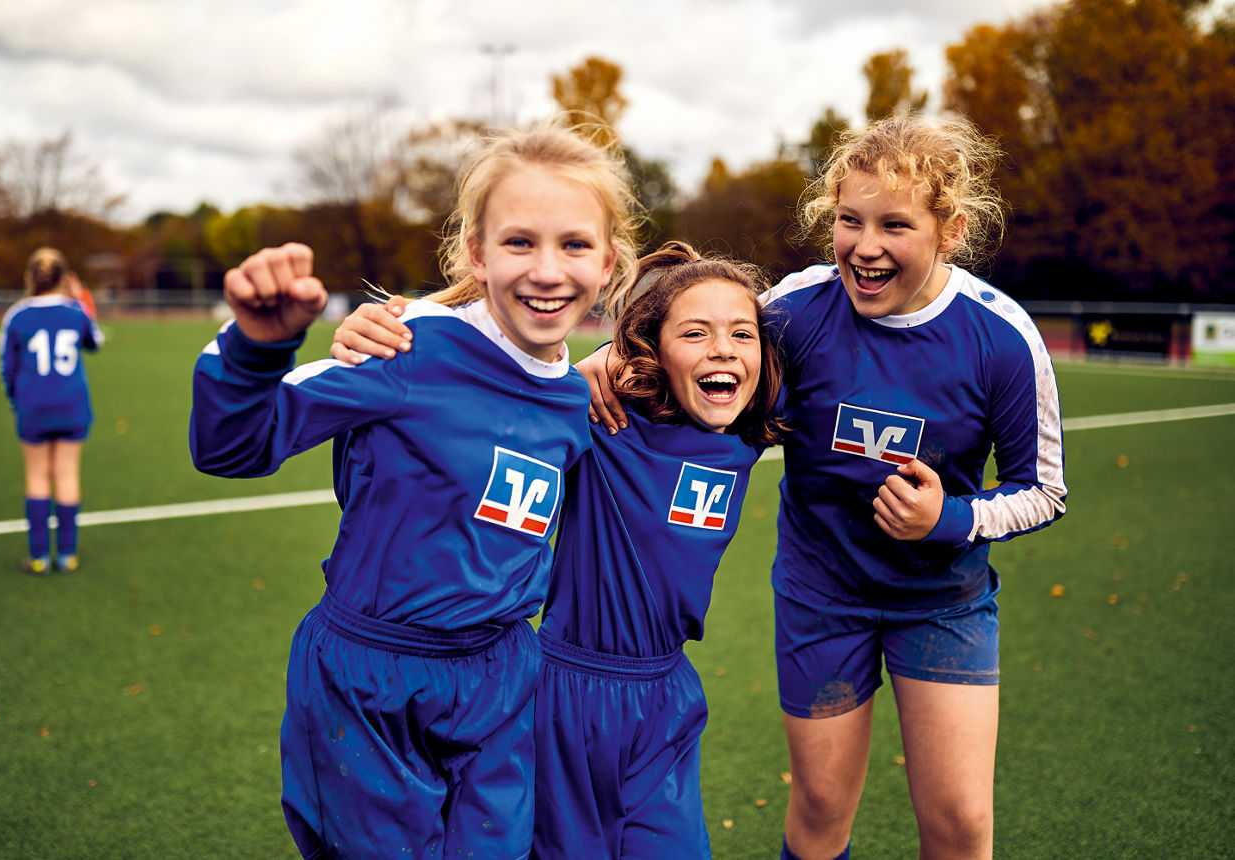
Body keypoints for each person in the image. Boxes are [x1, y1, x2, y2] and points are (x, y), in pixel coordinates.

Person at [581, 116, 1068, 860]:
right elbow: (705, 345)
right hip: (821, 596)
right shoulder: (797, 311)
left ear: (951, 229)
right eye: (849, 220)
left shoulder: (1001, 338)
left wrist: (950, 517)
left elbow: (1043, 492)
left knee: (961, 823)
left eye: (894, 225)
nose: (864, 246)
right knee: (818, 808)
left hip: (943, 603)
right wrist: (604, 362)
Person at [190, 123, 641, 860]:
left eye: (575, 245)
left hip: (500, 680)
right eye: (520, 242)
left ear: (608, 262)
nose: (548, 270)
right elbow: (232, 448)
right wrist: (256, 348)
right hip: (370, 683)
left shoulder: (574, 396)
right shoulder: (404, 348)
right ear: (476, 251)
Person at [331, 240, 785, 858]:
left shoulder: (749, 435)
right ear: (652, 350)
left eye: (742, 333)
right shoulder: (604, 423)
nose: (724, 349)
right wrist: (393, 327)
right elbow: (500, 382)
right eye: (696, 333)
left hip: (669, 696)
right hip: (567, 696)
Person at [0, 247, 103, 575]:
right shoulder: (76, 312)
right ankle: (67, 555)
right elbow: (95, 342)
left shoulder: (17, 315)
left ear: (30, 276)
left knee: (37, 476)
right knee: (67, 474)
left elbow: (7, 367)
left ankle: (39, 557)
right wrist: (81, 297)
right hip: (72, 406)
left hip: (33, 408)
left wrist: (17, 402)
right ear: (64, 277)